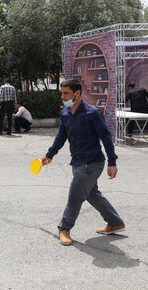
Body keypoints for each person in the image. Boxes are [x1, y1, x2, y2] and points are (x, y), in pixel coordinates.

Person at [41, 79, 125, 246]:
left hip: (92, 163)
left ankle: (64, 228)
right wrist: (50, 154)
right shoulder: (65, 113)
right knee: (91, 193)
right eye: (62, 93)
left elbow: (106, 137)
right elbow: (61, 136)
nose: (63, 97)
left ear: (77, 93)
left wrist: (112, 162)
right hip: (77, 162)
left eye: (66, 93)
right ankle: (115, 222)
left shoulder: (93, 113)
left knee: (75, 195)